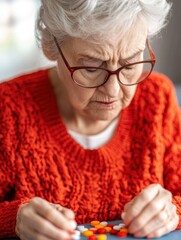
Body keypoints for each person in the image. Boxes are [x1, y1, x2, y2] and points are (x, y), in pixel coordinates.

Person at [0, 0, 181, 239]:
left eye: (130, 64)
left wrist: (173, 212)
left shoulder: (158, 100)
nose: (114, 91)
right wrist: (14, 220)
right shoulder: (8, 109)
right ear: (51, 46)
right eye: (92, 68)